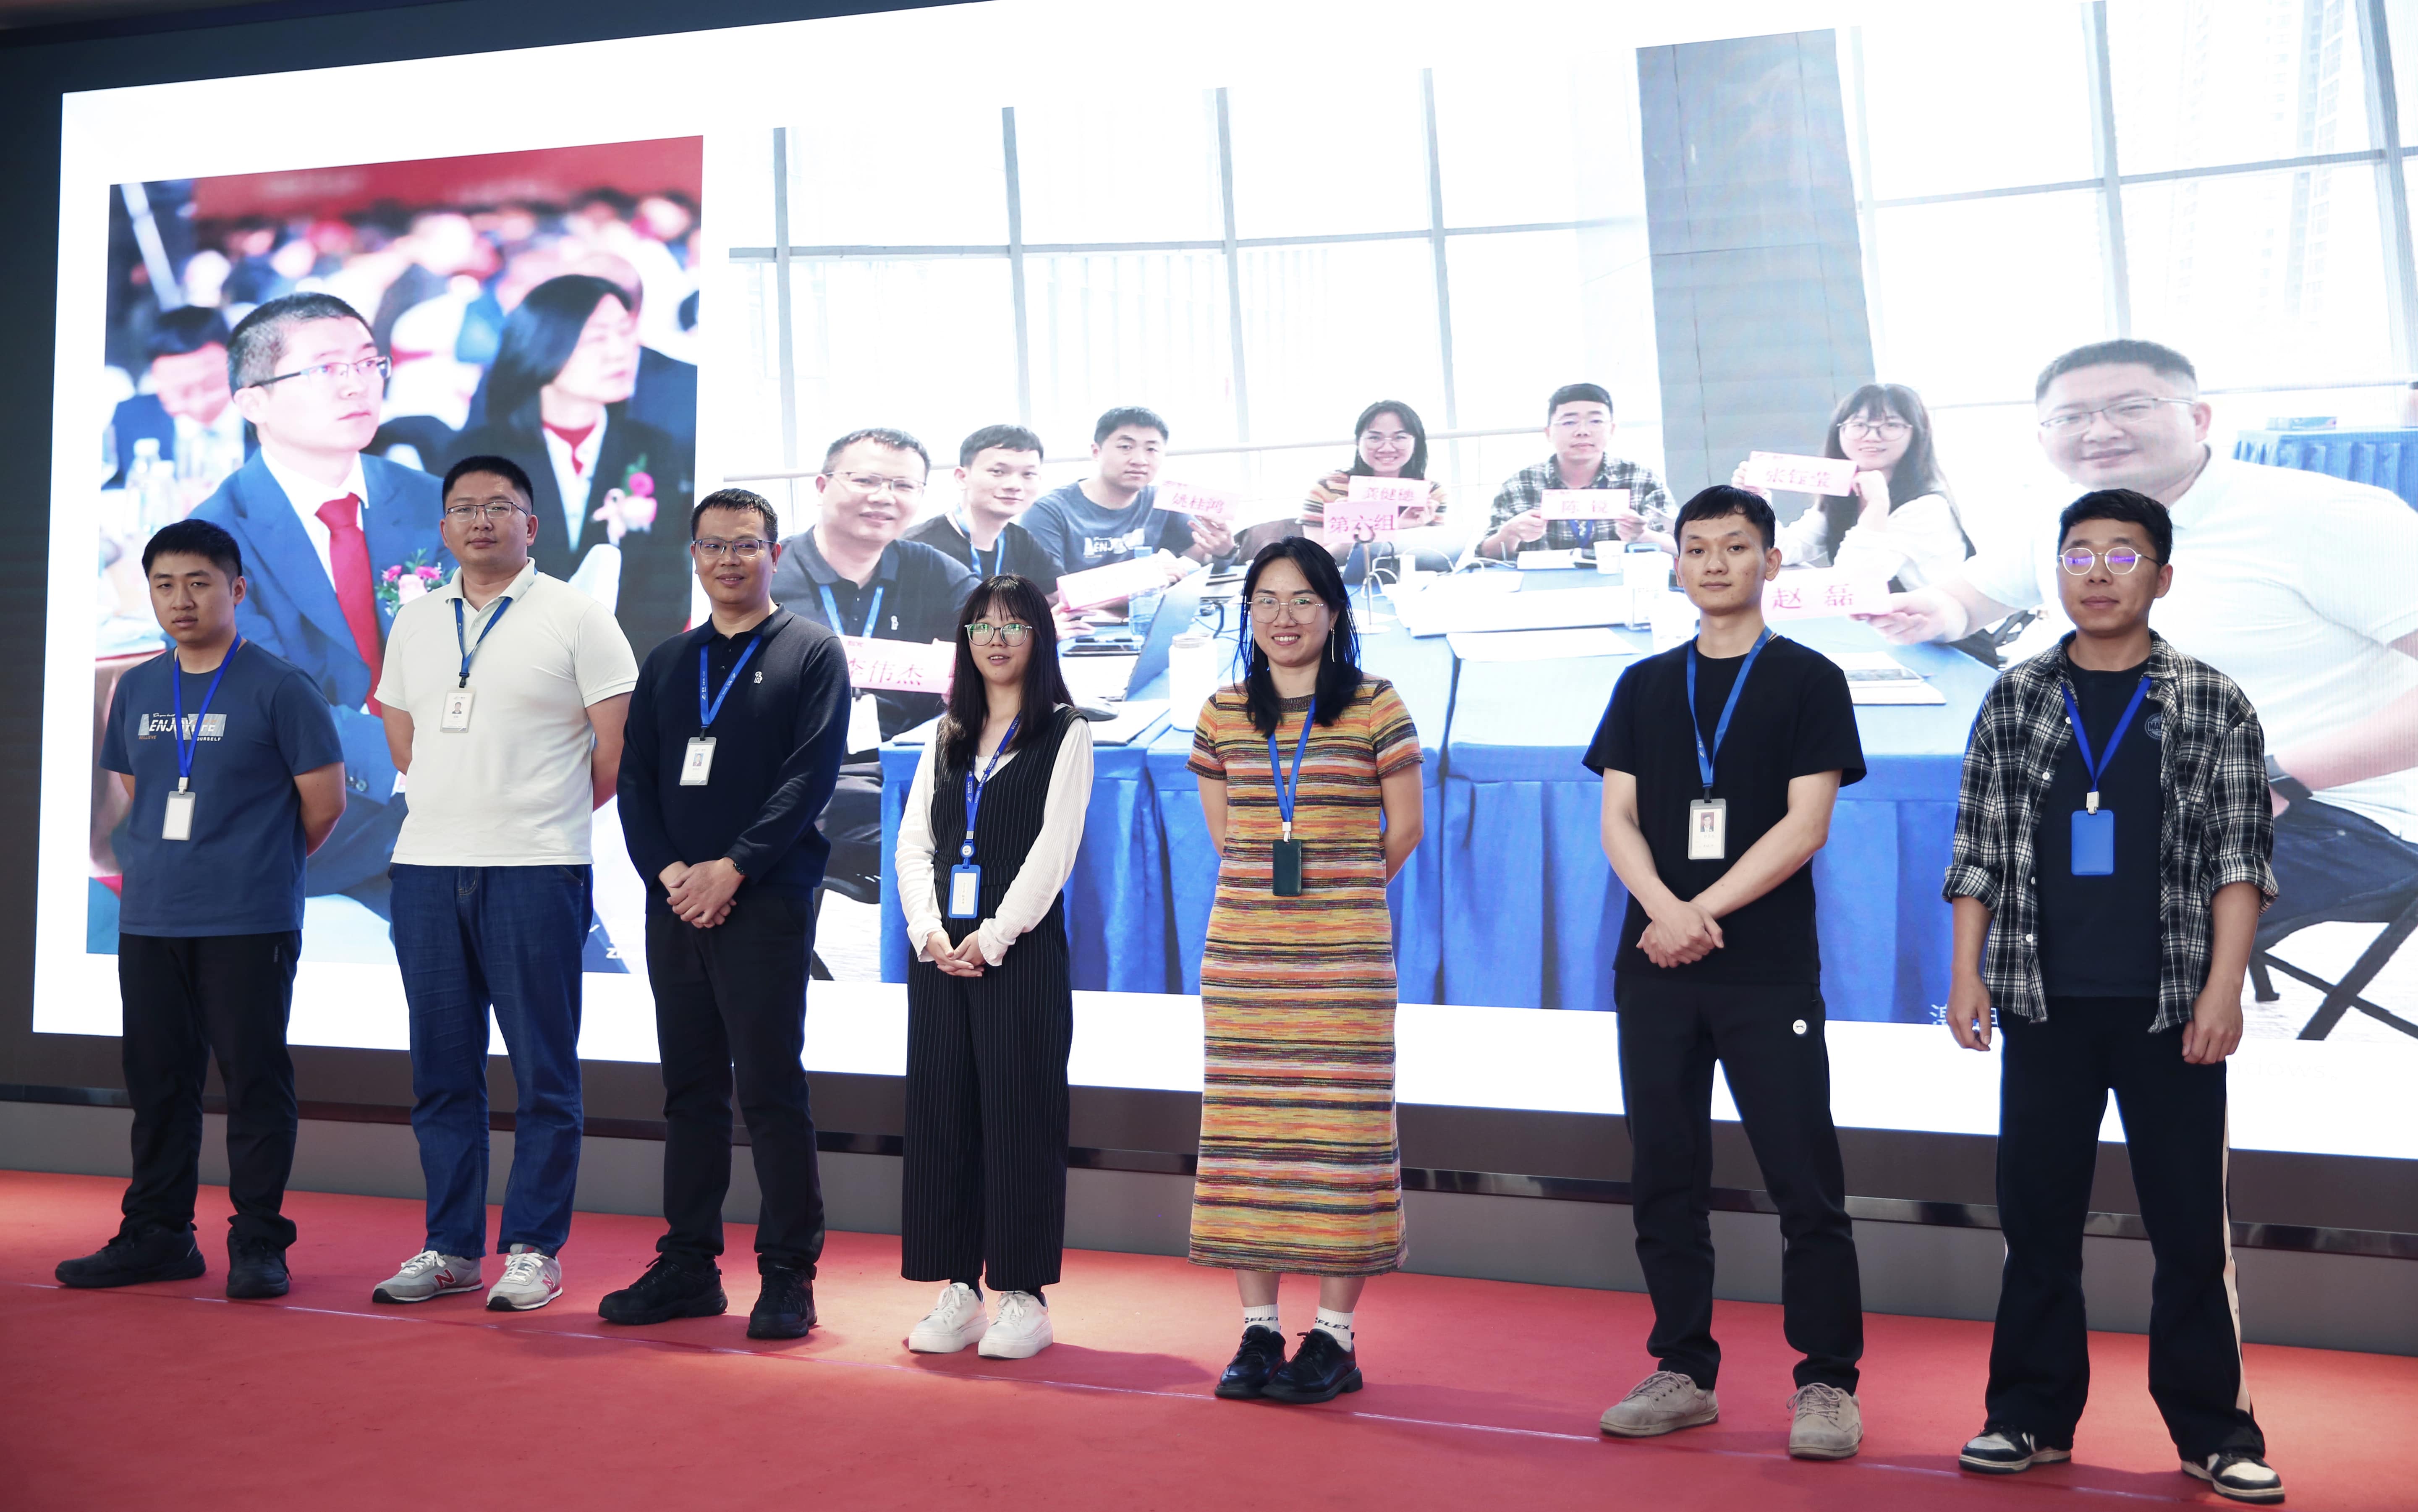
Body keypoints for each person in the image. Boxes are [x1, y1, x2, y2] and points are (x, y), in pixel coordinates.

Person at [1942, 490, 2284, 1504]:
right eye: (2078, 552)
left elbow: (2239, 860)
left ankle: (2215, 1430)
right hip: (2042, 1002)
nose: (2096, 572)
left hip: (2169, 1006)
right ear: (2056, 571)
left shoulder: (2211, 700)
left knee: (2188, 1230)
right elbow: (1976, 847)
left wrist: (2222, 990)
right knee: (2037, 1224)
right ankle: (2028, 1414)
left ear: (2161, 576)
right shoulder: (2015, 697)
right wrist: (1965, 971)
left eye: (2122, 554)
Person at [1863, 338, 2418, 953]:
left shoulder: (2328, 517)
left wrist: (2279, 774)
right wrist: (1933, 612)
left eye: (2131, 407)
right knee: (1909, 849)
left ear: (2198, 417)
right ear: (2044, 437)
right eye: (2071, 417)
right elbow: (1970, 597)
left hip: (2323, 810)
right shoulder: (2069, 517)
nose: (2099, 431)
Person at [1586, 485, 1868, 1460]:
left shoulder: (1809, 679)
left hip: (1766, 971)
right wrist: (1664, 912)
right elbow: (1617, 820)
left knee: (1804, 1181)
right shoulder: (1643, 685)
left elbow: (1806, 824)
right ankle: (1682, 1370)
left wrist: (1697, 911)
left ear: (1771, 562)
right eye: (1697, 547)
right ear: (1675, 563)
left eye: (1735, 546)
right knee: (1664, 1177)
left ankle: (1826, 1381)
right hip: (1655, 969)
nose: (1714, 562)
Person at [368, 454, 637, 1313]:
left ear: (532, 523)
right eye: (463, 508)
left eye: (499, 506)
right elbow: (403, 739)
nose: (480, 520)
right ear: (444, 526)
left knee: (543, 1072)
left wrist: (537, 813)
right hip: (426, 869)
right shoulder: (417, 620)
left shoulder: (578, 615)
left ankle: (533, 1249)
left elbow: (614, 751)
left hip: (535, 867)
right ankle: (450, 1248)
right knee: (442, 1072)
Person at [57, 519, 345, 1300]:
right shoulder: (138, 686)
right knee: (158, 1082)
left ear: (237, 589)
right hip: (152, 917)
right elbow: (136, 789)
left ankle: (259, 1240)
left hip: (248, 919)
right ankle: (158, 1234)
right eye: (164, 585)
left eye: (198, 583)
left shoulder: (281, 686)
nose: (180, 600)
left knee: (254, 1082)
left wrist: (253, 861)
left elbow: (324, 804)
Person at [602, 488, 851, 1341]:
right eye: (713, 545)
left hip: (765, 899)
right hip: (676, 901)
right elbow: (636, 781)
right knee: (690, 1089)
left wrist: (734, 868)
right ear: (695, 556)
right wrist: (674, 873)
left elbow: (809, 778)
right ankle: (688, 1265)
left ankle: (788, 1273)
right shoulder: (672, 660)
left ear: (774, 554)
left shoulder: (811, 651)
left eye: (746, 544)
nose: (729, 560)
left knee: (771, 1088)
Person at [1186, 539, 1425, 1406]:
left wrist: (1341, 894)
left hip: (1344, 961)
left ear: (1334, 610)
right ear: (1247, 613)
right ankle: (1258, 1329)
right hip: (1245, 958)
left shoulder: (1374, 704)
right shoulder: (1222, 711)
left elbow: (1405, 828)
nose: (1282, 618)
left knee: (1340, 1140)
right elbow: (1229, 837)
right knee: (1248, 1138)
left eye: (1301, 601)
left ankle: (1334, 1337)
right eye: (1266, 601)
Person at [191, 292, 446, 920]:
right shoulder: (209, 544)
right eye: (327, 368)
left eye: (368, 363)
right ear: (253, 401)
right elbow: (265, 703)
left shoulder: (433, 501)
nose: (357, 385)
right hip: (306, 803)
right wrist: (422, 767)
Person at [895, 573, 1094, 1359]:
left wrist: (997, 934)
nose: (998, 640)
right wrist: (927, 929)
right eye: (983, 626)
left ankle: (1022, 1295)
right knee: (942, 1117)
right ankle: (958, 1288)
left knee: (1019, 1118)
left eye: (1015, 625)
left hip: (1019, 952)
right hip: (941, 956)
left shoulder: (1066, 731)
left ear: (1040, 638)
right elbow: (915, 842)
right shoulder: (946, 733)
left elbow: (1055, 850)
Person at [767, 428, 976, 901]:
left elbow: (1000, 633)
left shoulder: (932, 570)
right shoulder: (766, 573)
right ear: (822, 486)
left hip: (908, 767)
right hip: (796, 773)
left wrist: (976, 669)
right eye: (865, 480)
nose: (884, 497)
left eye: (904, 486)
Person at [447, 273, 696, 656]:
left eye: (625, 332)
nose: (620, 351)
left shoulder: (653, 449)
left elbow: (669, 581)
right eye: (597, 337)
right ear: (544, 343)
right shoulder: (476, 457)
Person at [1748, 383, 1969, 592]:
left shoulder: (1928, 506)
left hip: (1933, 619)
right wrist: (1758, 500)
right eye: (1859, 425)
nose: (1872, 436)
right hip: (1879, 617)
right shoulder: (1845, 491)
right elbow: (1787, 550)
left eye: (1891, 425)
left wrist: (1877, 506)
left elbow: (1856, 581)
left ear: (1917, 434)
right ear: (1839, 432)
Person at [1018, 406, 1238, 579]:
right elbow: (1049, 592)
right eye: (1126, 447)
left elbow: (1205, 559)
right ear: (1096, 452)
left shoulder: (1161, 501)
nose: (1140, 460)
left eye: (1151, 449)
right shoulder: (1048, 512)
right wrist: (1139, 577)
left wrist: (1224, 551)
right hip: (1078, 622)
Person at [1479, 383, 1677, 560]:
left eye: (1596, 421)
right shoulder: (1521, 484)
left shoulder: (1642, 479)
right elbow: (1487, 554)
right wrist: (1510, 534)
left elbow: (1680, 547)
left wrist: (1642, 536)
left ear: (1612, 430)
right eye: (1569, 422)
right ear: (1549, 433)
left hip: (1622, 584)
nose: (1583, 431)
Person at [904, 424, 1067, 597]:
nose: (1015, 485)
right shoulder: (918, 548)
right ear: (962, 478)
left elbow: (1062, 595)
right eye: (998, 472)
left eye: (1028, 474)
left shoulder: (1021, 541)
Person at [1298, 399, 1453, 577]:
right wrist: (1369, 529)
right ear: (1358, 442)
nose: (1387, 448)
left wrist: (1406, 528)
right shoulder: (1329, 488)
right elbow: (1315, 561)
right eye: (1375, 438)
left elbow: (1433, 558)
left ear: (1416, 442)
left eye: (1400, 438)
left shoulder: (1431, 493)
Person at [108, 306, 251, 495]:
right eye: (181, 392)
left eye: (211, 385)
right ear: (156, 382)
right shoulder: (131, 417)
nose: (198, 404)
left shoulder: (270, 414)